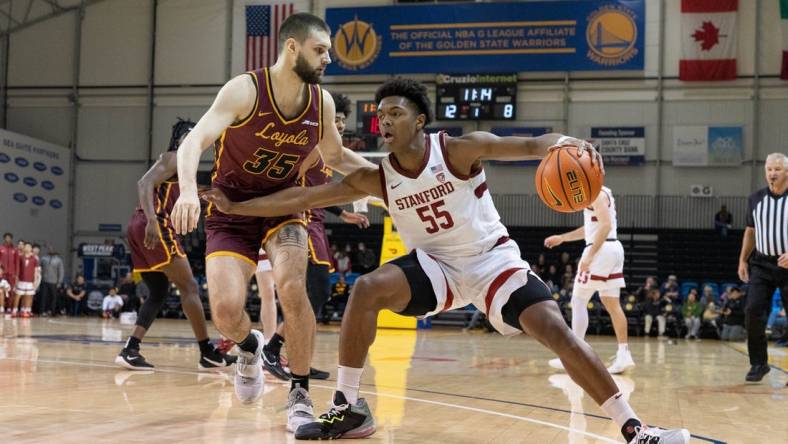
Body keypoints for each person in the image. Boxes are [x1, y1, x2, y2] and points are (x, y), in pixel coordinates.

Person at [202, 78, 689, 443]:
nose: (385, 122)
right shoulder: (379, 177)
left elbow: (531, 145)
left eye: (395, 113)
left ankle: (633, 428)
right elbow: (302, 196)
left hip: (491, 261)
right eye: (380, 117)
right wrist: (238, 207)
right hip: (436, 266)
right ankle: (349, 405)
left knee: (555, 328)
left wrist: (565, 145)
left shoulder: (458, 149)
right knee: (367, 289)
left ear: (419, 121)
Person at [170, 12, 374, 432]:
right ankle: (250, 346)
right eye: (320, 51)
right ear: (292, 47)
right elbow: (194, 139)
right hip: (231, 208)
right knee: (226, 312)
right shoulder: (245, 90)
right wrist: (189, 190)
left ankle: (298, 393)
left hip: (284, 208)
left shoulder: (322, 102)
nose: (327, 60)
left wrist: (386, 184)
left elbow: (336, 158)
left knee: (294, 288)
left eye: (328, 53)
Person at [261, 92, 369, 382]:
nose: (341, 125)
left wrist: (343, 213)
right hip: (301, 221)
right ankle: (272, 348)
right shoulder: (310, 147)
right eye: (335, 119)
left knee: (317, 295)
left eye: (343, 120)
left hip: (318, 222)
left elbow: (325, 191)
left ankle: (301, 362)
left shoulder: (331, 153)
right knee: (316, 289)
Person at [116, 119, 235, 372]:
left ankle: (130, 349)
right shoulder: (173, 157)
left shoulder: (184, 170)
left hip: (140, 225)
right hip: (152, 223)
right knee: (190, 286)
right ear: (179, 138)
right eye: (190, 134)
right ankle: (207, 352)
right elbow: (143, 183)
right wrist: (151, 220)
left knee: (158, 292)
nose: (195, 139)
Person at [544, 186, 635, 374]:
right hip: (612, 249)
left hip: (600, 250)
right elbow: (592, 228)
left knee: (578, 300)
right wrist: (563, 238)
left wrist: (589, 255)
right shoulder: (603, 192)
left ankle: (574, 355)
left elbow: (605, 226)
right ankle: (623, 354)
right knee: (612, 304)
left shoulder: (596, 194)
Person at [737, 152, 788, 382]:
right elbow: (750, 231)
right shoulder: (755, 199)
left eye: (777, 169)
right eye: (769, 169)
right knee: (752, 311)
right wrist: (742, 260)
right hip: (762, 264)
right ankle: (759, 364)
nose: (772, 173)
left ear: (786, 171)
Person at [12, 242, 40, 318]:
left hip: (30, 281)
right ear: (24, 248)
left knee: (28, 296)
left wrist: (35, 280)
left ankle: (26, 311)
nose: (27, 248)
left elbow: (35, 271)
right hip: (21, 280)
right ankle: (14, 310)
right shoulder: (20, 257)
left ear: (31, 249)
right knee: (18, 295)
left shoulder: (34, 259)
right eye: (26, 247)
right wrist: (16, 278)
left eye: (29, 247)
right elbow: (17, 268)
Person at [38, 247, 65, 316]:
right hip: (44, 280)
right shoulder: (43, 258)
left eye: (52, 249)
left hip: (54, 282)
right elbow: (38, 269)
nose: (51, 250)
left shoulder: (58, 260)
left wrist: (59, 282)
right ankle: (42, 311)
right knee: (43, 297)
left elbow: (61, 271)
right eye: (49, 249)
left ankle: (52, 312)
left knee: (53, 297)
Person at [0, 233, 19, 313]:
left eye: (9, 238)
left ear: (11, 239)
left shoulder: (15, 250)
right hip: (2, 274)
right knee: (1, 291)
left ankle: (9, 308)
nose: (8, 239)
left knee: (11, 291)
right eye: (6, 238)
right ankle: (2, 307)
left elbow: (17, 262)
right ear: (4, 239)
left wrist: (16, 274)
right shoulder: (0, 248)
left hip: (12, 274)